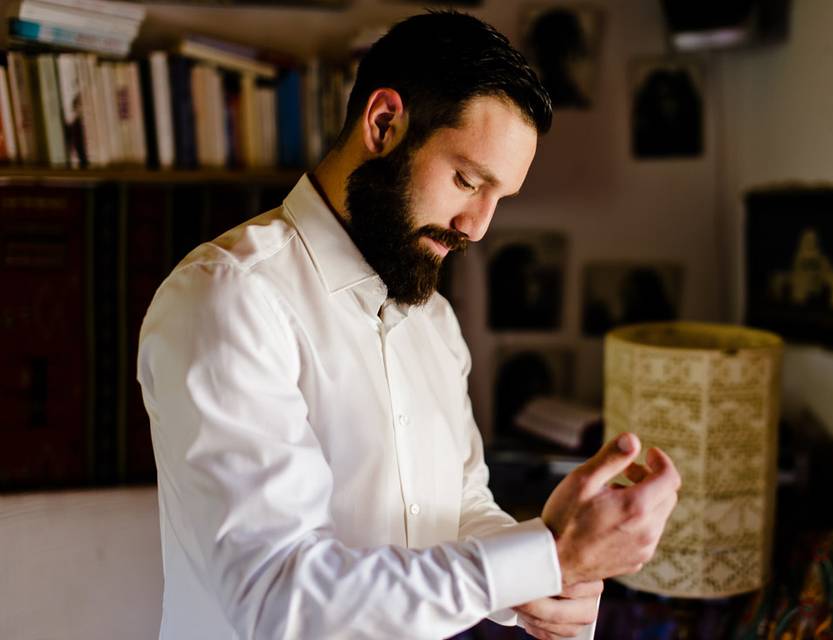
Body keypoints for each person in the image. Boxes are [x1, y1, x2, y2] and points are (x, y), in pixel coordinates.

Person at [137, 11, 680, 640]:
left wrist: (548, 570)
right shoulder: (229, 298)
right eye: (466, 180)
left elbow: (458, 508)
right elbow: (278, 599)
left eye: (497, 199)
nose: (478, 226)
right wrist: (541, 559)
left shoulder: (436, 322)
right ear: (384, 123)